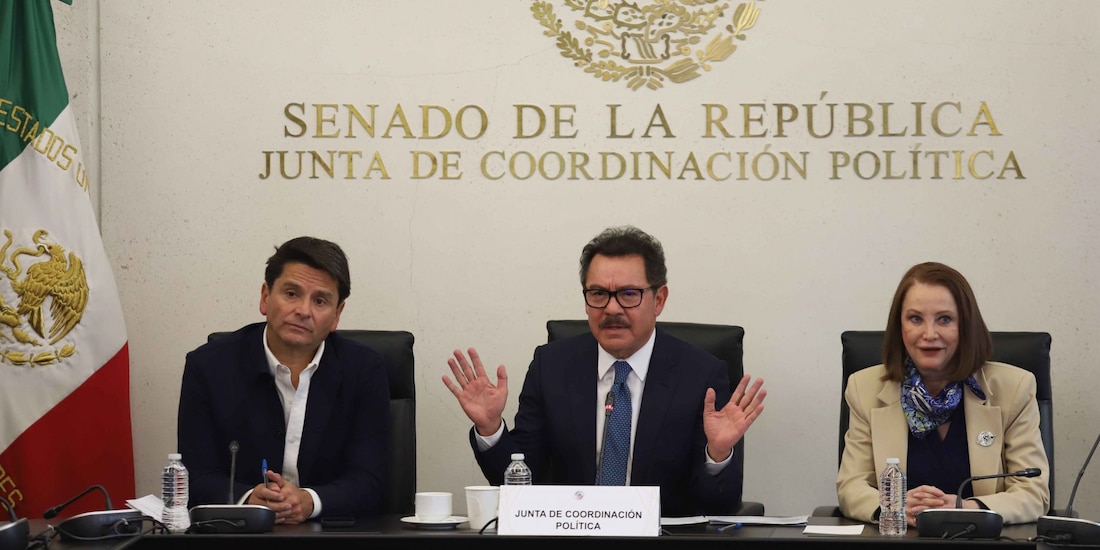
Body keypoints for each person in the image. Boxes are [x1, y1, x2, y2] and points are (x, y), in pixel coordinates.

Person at [442, 225, 766, 516]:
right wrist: (491, 430)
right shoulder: (552, 367)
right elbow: (523, 481)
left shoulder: (700, 375)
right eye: (598, 294)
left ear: (659, 300)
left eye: (628, 294)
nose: (611, 308)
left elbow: (718, 508)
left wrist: (718, 454)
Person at [177, 236, 390, 523]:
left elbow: (371, 481)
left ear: (337, 315)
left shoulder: (365, 370)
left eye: (320, 300)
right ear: (265, 297)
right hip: (240, 536)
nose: (303, 311)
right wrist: (249, 499)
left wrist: (309, 501)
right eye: (291, 293)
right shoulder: (208, 366)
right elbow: (194, 476)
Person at [836, 262, 1049, 526]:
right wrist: (896, 506)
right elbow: (851, 487)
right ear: (899, 327)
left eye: (945, 319)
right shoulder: (864, 388)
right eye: (915, 319)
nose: (929, 334)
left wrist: (965, 508)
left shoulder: (1014, 388)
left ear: (966, 326)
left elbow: (1033, 492)